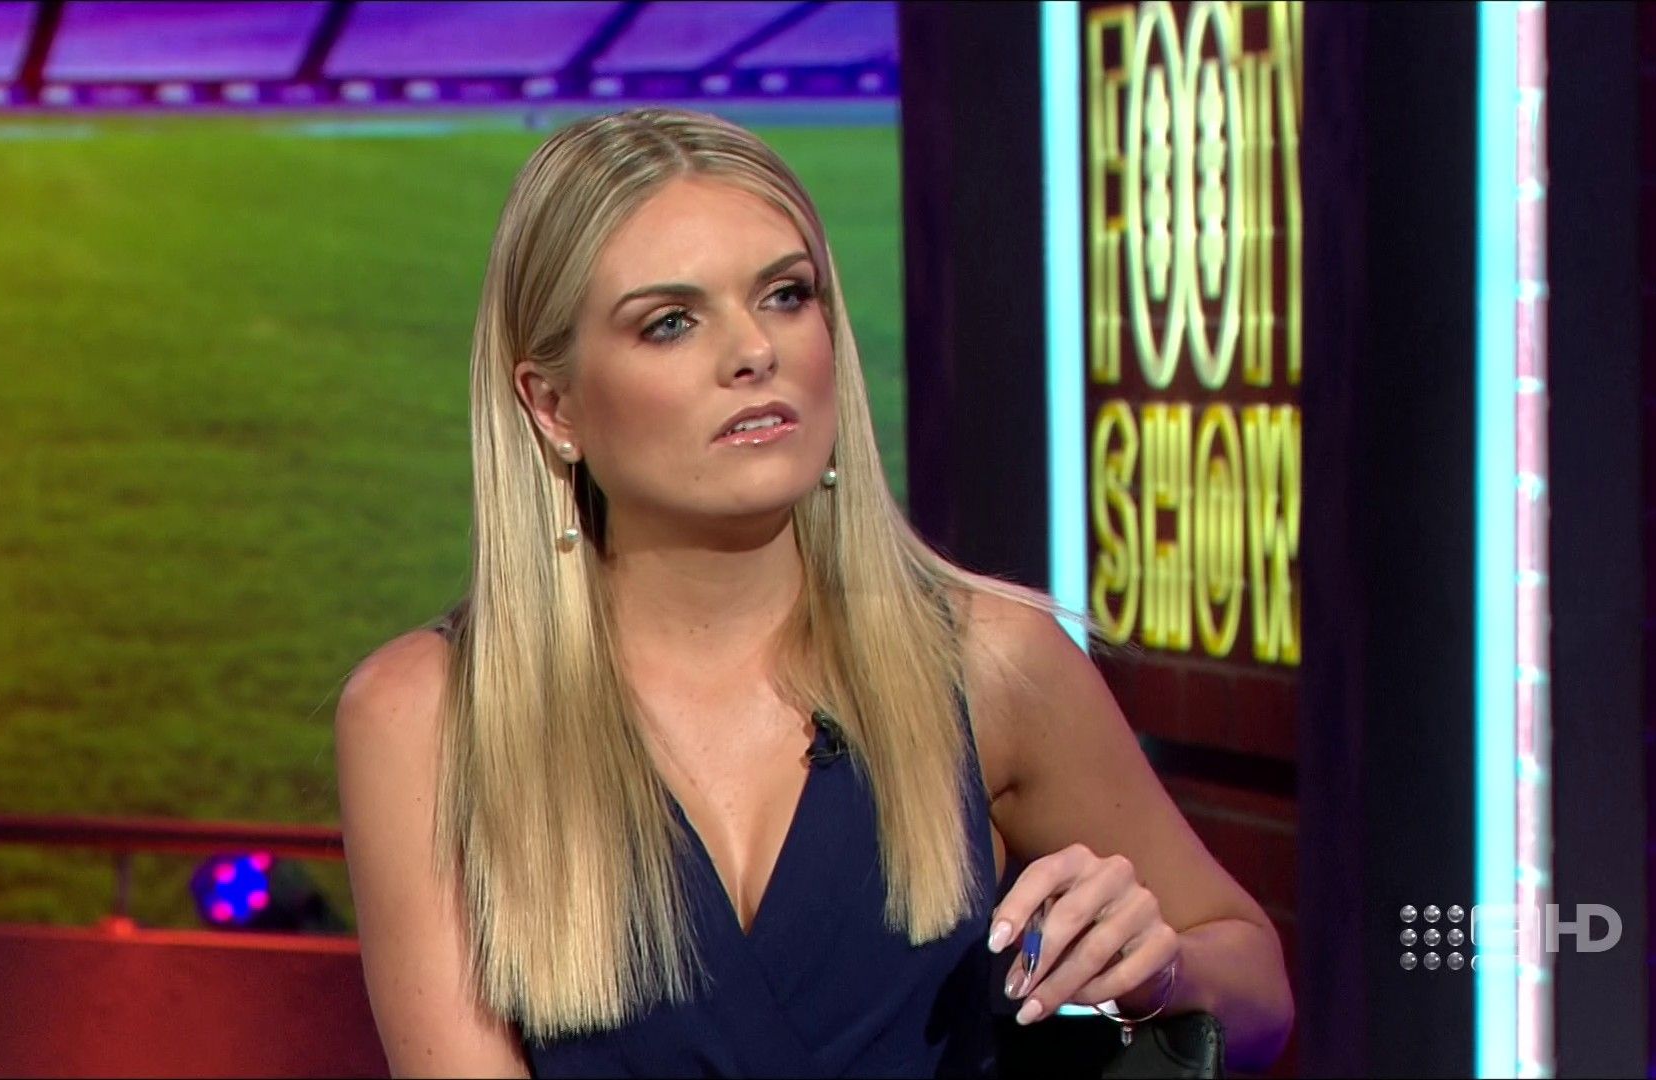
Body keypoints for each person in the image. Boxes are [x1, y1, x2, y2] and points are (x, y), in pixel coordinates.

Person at [335, 106, 1293, 1078]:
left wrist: (1158, 973)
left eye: (786, 295)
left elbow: (1256, 991)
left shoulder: (988, 662)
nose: (755, 349)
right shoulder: (429, 720)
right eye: (671, 322)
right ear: (553, 406)